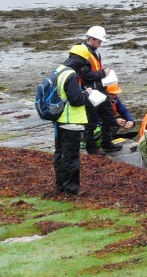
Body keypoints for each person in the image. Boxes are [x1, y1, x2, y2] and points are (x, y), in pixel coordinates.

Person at [63, 25, 116, 154]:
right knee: (91, 122)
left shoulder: (95, 52)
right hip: (90, 91)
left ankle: (106, 143)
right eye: (99, 41)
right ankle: (92, 149)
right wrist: (102, 73)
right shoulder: (84, 54)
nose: (100, 44)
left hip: (100, 89)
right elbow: (85, 75)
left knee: (109, 117)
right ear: (91, 39)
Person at [51, 59, 91, 195]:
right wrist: (86, 94)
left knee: (60, 153)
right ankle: (71, 188)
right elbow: (76, 100)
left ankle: (61, 186)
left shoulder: (60, 71)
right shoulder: (72, 75)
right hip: (71, 121)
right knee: (71, 156)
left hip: (60, 119)